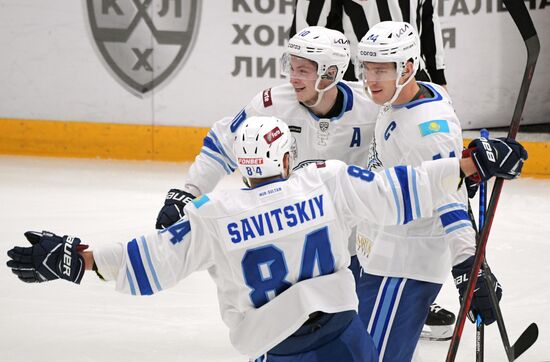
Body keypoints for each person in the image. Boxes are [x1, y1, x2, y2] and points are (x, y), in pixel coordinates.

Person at [6, 116, 526, 361]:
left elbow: (150, 260)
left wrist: (76, 259)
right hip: (345, 334)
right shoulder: (324, 181)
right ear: (283, 159)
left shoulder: (215, 213)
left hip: (274, 348)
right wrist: (471, 164)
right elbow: (402, 188)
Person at [156, 26, 378, 285]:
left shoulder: (371, 109)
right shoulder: (273, 104)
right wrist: (189, 192)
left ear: (330, 73)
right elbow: (223, 145)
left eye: (303, 71)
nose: (293, 78)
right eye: (291, 67)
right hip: (295, 237)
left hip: (355, 242)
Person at [352, 21, 521, 360]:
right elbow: (440, 173)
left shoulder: (429, 129)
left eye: (381, 70)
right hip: (378, 249)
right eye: (367, 68)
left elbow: (449, 199)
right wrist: (468, 171)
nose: (371, 79)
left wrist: (467, 266)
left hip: (401, 266)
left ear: (408, 67)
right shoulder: (408, 95)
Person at [290, 0, 447, 85]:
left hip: (413, 78)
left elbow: (429, 24)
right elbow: (304, 41)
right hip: (359, 85)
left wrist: (440, 81)